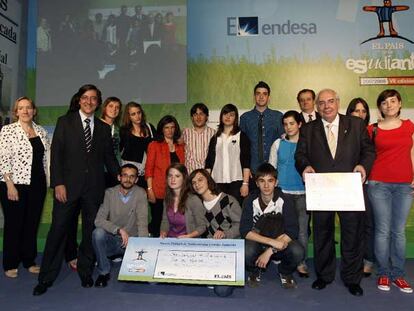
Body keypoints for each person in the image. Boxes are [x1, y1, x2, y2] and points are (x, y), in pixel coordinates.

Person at [33, 84, 120, 296]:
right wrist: (58, 183)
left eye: (93, 98)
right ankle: (46, 278)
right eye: (85, 98)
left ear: (98, 103)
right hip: (67, 188)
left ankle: (85, 271)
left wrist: (121, 175)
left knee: (90, 232)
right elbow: (56, 156)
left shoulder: (102, 128)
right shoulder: (65, 122)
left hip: (94, 189)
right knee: (58, 231)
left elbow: (108, 157)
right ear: (79, 100)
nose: (89, 102)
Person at [295, 88, 375, 296]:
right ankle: (324, 275)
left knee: (352, 234)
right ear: (317, 106)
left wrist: (362, 166)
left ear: (338, 102)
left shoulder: (356, 124)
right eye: (321, 103)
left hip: (349, 189)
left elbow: (368, 151)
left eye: (330, 101)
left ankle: (352, 278)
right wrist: (305, 167)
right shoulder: (308, 129)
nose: (326, 106)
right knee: (322, 234)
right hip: (321, 190)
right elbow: (300, 155)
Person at [367, 89, 414, 293]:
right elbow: (366, 155)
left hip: (405, 185)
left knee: (399, 232)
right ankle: (384, 273)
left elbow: (412, 152)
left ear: (400, 103)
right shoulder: (372, 129)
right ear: (380, 107)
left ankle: (398, 274)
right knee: (383, 231)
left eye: (392, 101)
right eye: (384, 103)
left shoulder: (409, 127)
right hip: (379, 184)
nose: (389, 105)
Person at [0, 97, 50, 278]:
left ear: (34, 111)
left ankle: (29, 260)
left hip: (37, 184)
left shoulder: (42, 131)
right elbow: (3, 159)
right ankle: (10, 263)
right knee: (14, 224)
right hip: (14, 185)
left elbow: (46, 160)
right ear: (16, 112)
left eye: (28, 107)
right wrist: (9, 185)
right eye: (21, 108)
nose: (25, 111)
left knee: (31, 224)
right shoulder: (8, 131)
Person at [240, 163, 303, 289]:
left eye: (270, 180)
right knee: (246, 250)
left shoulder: (285, 200)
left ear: (276, 182)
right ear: (257, 183)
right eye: (262, 181)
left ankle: (285, 272)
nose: (266, 185)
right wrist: (271, 242)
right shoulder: (249, 201)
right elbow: (245, 231)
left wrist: (271, 250)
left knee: (298, 251)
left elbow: (293, 231)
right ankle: (254, 270)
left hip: (281, 244)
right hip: (258, 243)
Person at [92, 164, 148, 288]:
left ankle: (125, 259)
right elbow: (98, 220)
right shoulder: (109, 193)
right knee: (98, 233)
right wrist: (119, 230)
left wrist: (143, 249)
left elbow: (142, 222)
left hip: (131, 243)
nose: (128, 179)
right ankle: (104, 272)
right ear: (119, 177)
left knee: (142, 277)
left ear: (136, 180)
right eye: (125, 175)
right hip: (114, 239)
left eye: (132, 176)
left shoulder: (141, 193)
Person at [189, 168, 242, 297]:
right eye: (194, 182)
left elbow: (241, 226)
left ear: (209, 180)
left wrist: (225, 234)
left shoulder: (228, 200)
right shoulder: (197, 204)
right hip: (208, 251)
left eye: (200, 180)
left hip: (229, 249)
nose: (197, 184)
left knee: (222, 291)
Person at [269, 110, 309, 278]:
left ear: (299, 124)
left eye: (292, 123)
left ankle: (301, 262)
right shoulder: (278, 144)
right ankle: (280, 256)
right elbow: (272, 168)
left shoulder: (308, 144)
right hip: (283, 192)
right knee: (282, 229)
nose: (288, 127)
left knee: (302, 230)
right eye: (285, 124)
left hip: (304, 192)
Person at [346, 97, 374, 277]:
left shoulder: (373, 131)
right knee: (353, 225)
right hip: (348, 185)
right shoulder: (345, 131)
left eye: (364, 111)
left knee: (369, 223)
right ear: (349, 113)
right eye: (357, 111)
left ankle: (368, 259)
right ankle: (354, 259)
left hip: (370, 183)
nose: (360, 114)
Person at [145, 115, 184, 237]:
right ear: (162, 129)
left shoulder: (181, 146)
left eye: (172, 127)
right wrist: (150, 189)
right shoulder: (154, 145)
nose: (170, 130)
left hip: (177, 192)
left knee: (174, 222)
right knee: (157, 221)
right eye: (166, 127)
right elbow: (149, 169)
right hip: (158, 191)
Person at [205, 104, 250, 204]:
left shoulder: (241, 136)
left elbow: (246, 162)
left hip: (236, 182)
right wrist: (206, 184)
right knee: (220, 213)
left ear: (236, 118)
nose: (228, 117)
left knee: (236, 213)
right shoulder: (215, 138)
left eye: (231, 115)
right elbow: (209, 163)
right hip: (217, 182)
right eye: (225, 114)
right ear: (221, 116)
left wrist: (245, 183)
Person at [240, 81, 283, 175]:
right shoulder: (245, 118)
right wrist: (245, 168)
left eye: (265, 94)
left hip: (274, 168)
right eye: (258, 93)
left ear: (269, 97)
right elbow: (241, 147)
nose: (261, 96)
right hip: (252, 170)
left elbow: (283, 142)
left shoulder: (278, 116)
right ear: (254, 96)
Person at [160, 163, 205, 238]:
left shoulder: (193, 199)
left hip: (189, 242)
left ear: (184, 178)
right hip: (170, 241)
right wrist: (163, 232)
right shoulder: (167, 198)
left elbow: (202, 226)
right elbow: (165, 221)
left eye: (177, 176)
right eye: (170, 176)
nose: (173, 179)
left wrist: (188, 236)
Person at [120, 102, 155, 189]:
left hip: (146, 171)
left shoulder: (149, 127)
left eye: (139, 112)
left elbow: (159, 143)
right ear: (128, 116)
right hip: (129, 172)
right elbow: (119, 150)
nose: (137, 116)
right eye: (133, 114)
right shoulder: (124, 131)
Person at [182, 103, 216, 174]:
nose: (198, 117)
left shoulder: (213, 133)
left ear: (206, 117)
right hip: (190, 174)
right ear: (192, 118)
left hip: (208, 174)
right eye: (195, 115)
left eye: (201, 114)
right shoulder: (185, 132)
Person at [101, 96, 122, 187]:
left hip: (116, 171)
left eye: (117, 107)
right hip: (99, 171)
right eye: (111, 106)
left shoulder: (118, 129)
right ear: (105, 108)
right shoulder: (96, 126)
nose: (114, 109)